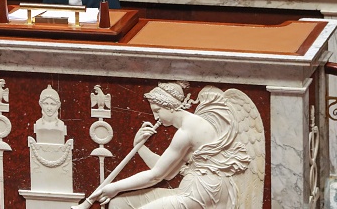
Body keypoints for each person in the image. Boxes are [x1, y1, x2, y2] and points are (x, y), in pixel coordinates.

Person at [95, 81, 252, 209]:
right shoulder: (189, 127)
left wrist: (114, 187)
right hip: (192, 189)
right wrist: (140, 147)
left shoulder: (187, 130)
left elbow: (156, 175)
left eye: (157, 110)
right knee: (118, 203)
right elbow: (168, 172)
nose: (156, 117)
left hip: (204, 193)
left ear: (169, 106)